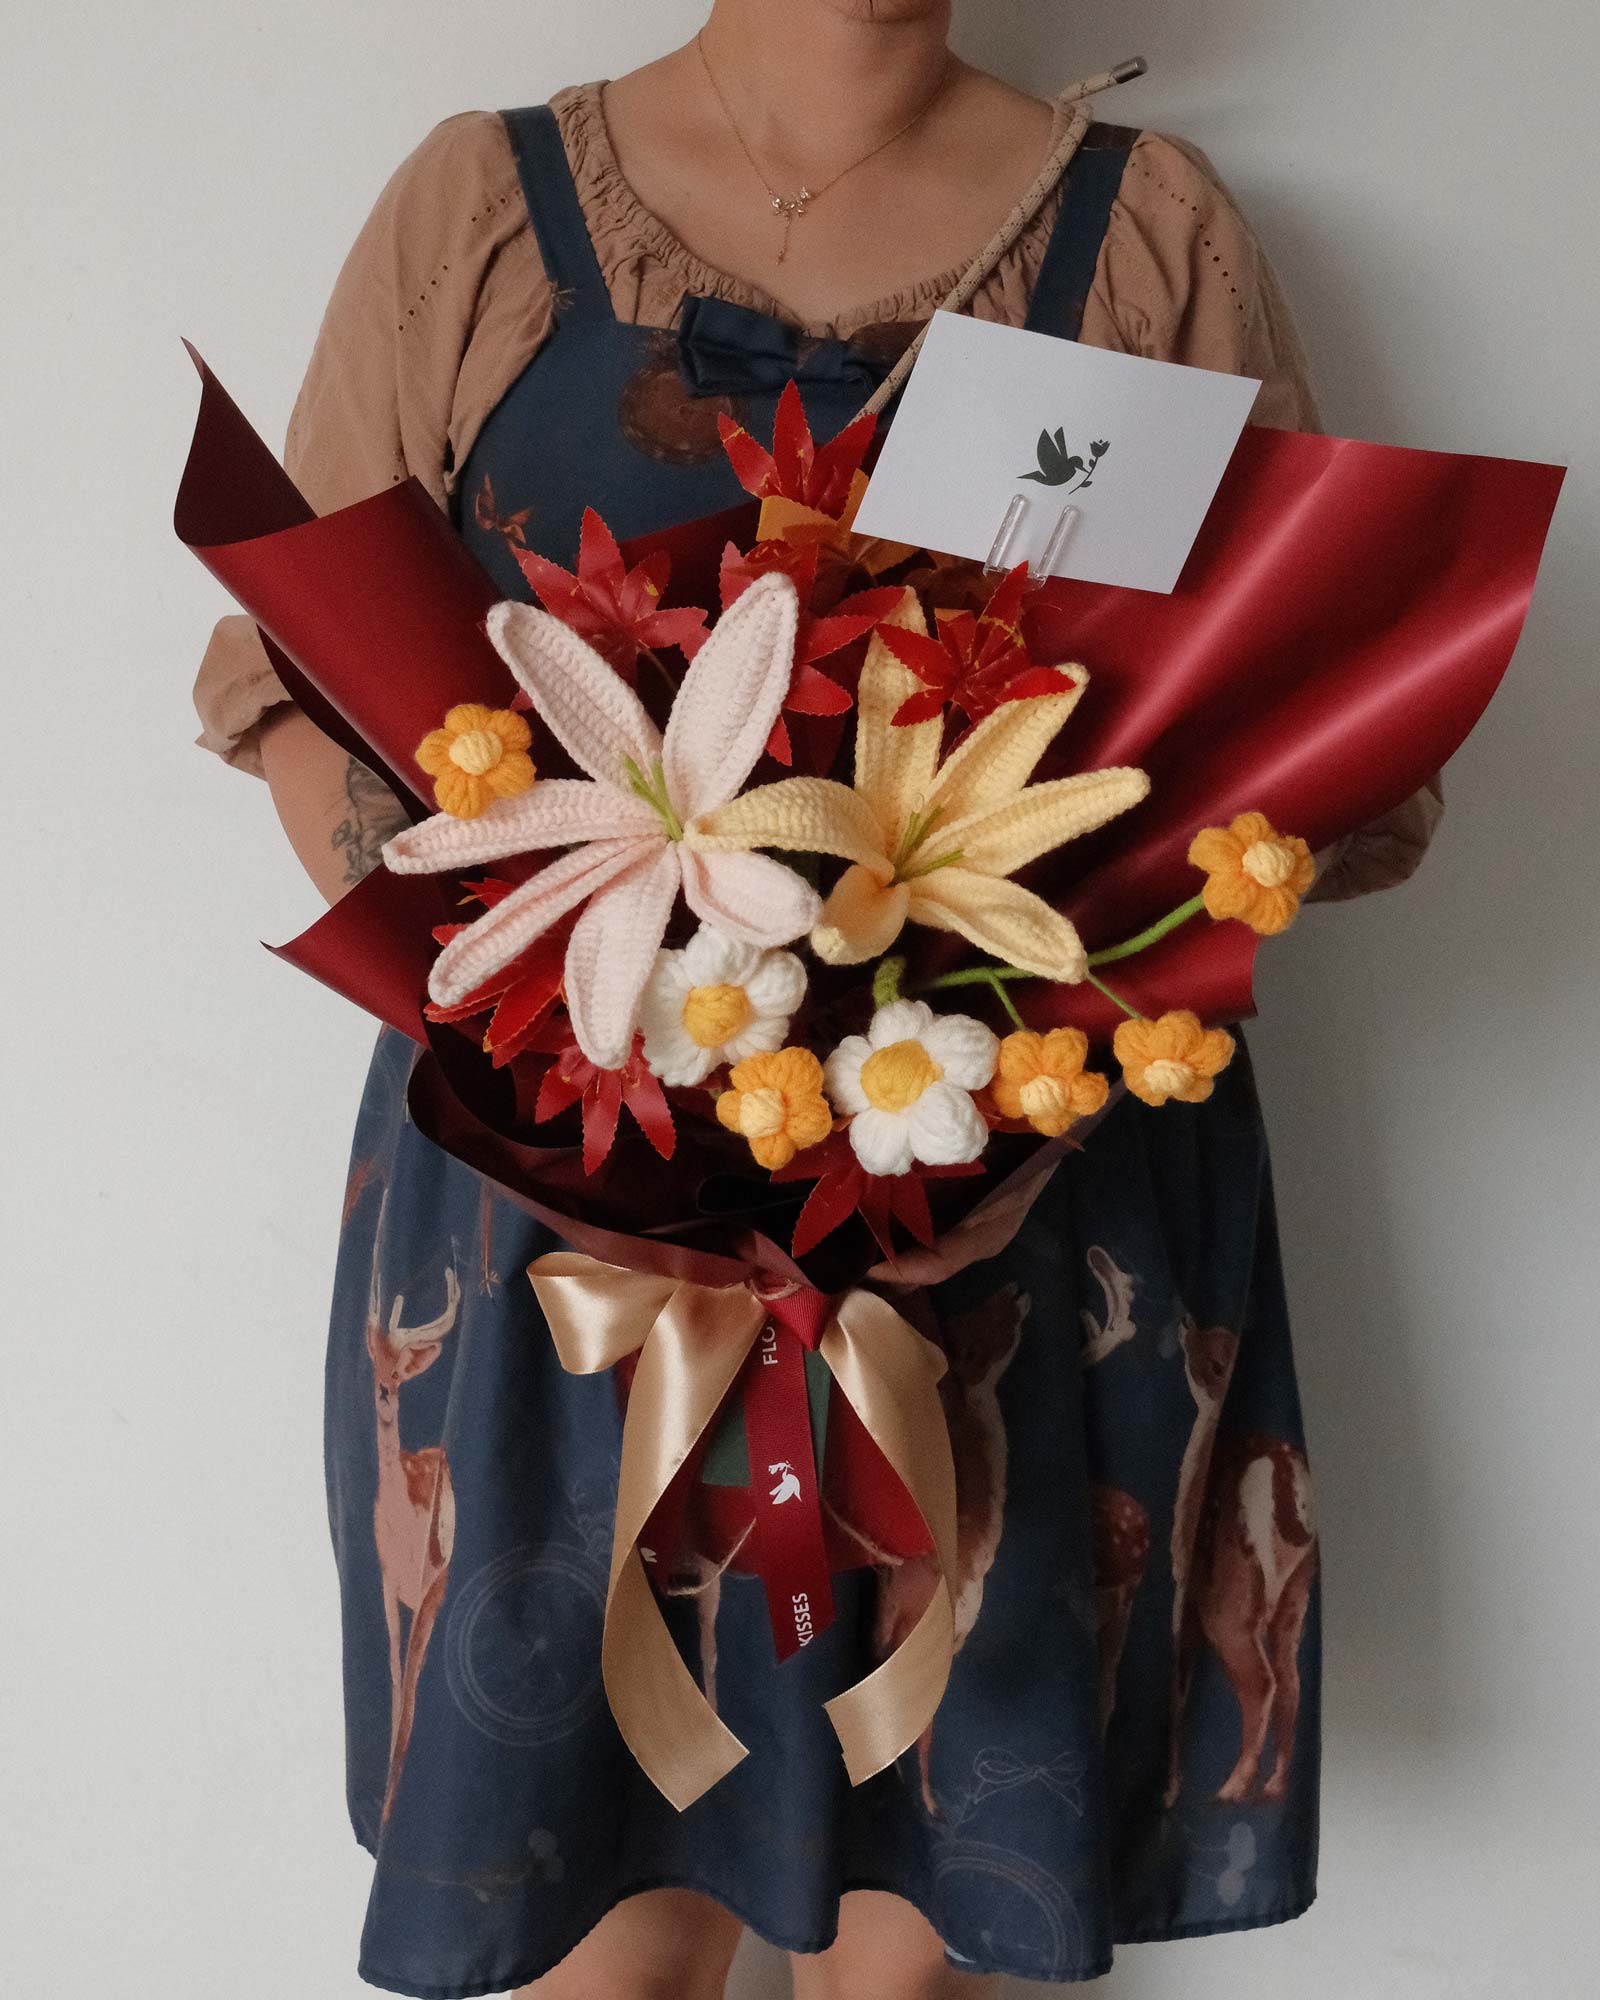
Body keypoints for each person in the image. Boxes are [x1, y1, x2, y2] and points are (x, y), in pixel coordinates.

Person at [192, 4, 1443, 1994]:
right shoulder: (480, 211)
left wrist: (967, 1084)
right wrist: (576, 1052)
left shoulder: (1151, 236)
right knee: (595, 1928)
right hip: (565, 1214)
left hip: (1012, 1214)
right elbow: (297, 688)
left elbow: (1302, 754)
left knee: (920, 1946)